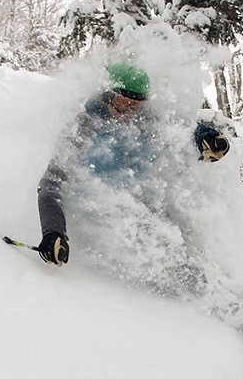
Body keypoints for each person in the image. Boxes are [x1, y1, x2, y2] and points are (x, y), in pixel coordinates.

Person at [36, 61, 231, 276]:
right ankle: (199, 291)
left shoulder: (147, 122)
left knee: (190, 244)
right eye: (122, 103)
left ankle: (223, 289)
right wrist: (53, 232)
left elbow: (180, 127)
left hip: (148, 207)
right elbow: (51, 184)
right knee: (165, 253)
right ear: (107, 95)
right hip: (105, 213)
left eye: (135, 106)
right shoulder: (82, 128)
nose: (128, 112)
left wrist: (204, 137)